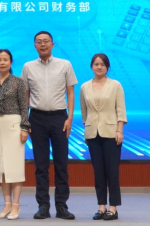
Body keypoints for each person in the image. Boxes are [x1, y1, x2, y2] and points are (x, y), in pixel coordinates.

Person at [21, 31, 78, 220]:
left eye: (46, 41)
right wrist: (25, 119)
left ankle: (62, 206)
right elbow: (25, 95)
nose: (43, 44)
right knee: (41, 165)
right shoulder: (28, 67)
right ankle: (43, 206)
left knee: (61, 165)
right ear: (35, 46)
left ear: (52, 44)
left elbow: (70, 92)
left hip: (60, 118)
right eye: (39, 42)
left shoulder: (65, 64)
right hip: (36, 118)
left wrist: (70, 118)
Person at [80, 53, 127, 221]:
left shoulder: (115, 85)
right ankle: (101, 207)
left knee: (112, 172)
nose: (99, 67)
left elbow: (120, 110)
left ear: (107, 67)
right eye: (96, 64)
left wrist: (119, 131)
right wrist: (86, 128)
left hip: (111, 133)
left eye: (102, 64)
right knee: (98, 172)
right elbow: (84, 111)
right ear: (91, 66)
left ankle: (113, 208)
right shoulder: (85, 86)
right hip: (92, 133)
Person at [0, 49, 29, 220]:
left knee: (15, 167)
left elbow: (24, 106)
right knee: (2, 168)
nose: (2, 62)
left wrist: (24, 127)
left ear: (10, 62)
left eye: (5, 59)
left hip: (14, 125)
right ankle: (6, 205)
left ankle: (16, 206)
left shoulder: (18, 82)